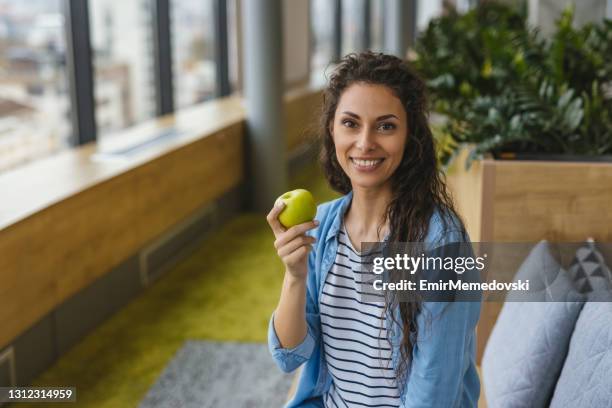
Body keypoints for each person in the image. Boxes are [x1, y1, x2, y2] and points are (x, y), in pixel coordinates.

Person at [266, 51, 481, 408]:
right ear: (331, 130)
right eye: (351, 123)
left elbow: (435, 391)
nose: (365, 143)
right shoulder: (323, 225)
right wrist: (294, 274)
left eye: (385, 126)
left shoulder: (441, 242)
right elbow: (289, 356)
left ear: (410, 136)